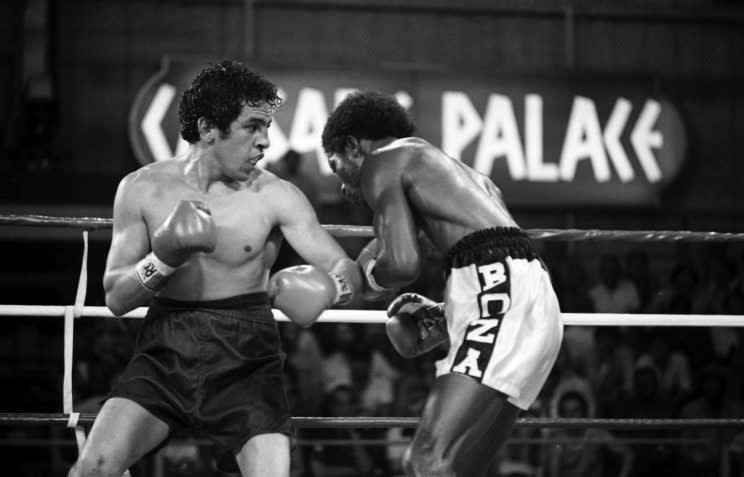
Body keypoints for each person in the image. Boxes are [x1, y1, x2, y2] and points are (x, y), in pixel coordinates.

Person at [68, 59, 362, 477]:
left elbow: (344, 267)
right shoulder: (141, 189)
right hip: (165, 353)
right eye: (252, 127)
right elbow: (116, 297)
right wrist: (163, 257)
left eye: (267, 129)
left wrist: (333, 290)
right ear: (208, 128)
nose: (265, 143)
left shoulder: (276, 195)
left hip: (248, 361)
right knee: (91, 469)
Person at [322, 91, 564, 477]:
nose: (343, 187)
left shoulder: (380, 163)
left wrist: (356, 281)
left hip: (499, 292)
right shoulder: (461, 175)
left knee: (424, 460)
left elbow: (401, 264)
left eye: (336, 167)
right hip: (532, 298)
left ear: (352, 147)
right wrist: (449, 314)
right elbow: (496, 257)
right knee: (454, 468)